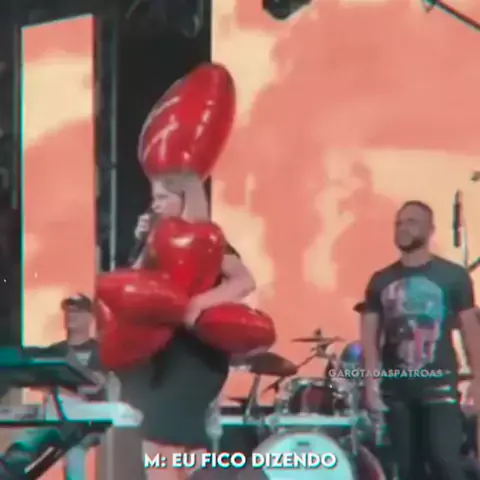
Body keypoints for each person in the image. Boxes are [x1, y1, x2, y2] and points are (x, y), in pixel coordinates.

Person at [119, 174, 256, 480]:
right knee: (161, 439)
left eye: (162, 198)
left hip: (194, 352)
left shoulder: (205, 240)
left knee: (172, 438)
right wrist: (143, 244)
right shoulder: (154, 241)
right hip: (159, 354)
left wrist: (195, 305)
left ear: (184, 200)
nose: (155, 204)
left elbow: (244, 281)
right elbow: (132, 289)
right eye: (153, 198)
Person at [361, 200, 479, 480]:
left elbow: (470, 329)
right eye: (399, 223)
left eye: (411, 222)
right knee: (406, 468)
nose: (403, 228)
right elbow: (369, 336)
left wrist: (478, 379)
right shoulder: (380, 280)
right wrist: (371, 385)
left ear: (430, 229)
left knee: (444, 460)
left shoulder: (453, 276)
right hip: (397, 389)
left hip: (439, 385)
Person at [0, 295, 105, 480]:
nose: (71, 315)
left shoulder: (99, 350)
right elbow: (37, 379)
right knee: (27, 448)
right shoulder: (57, 350)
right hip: (54, 416)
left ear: (90, 317)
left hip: (83, 421)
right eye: (68, 311)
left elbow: (98, 385)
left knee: (66, 447)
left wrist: (66, 389)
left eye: (77, 311)